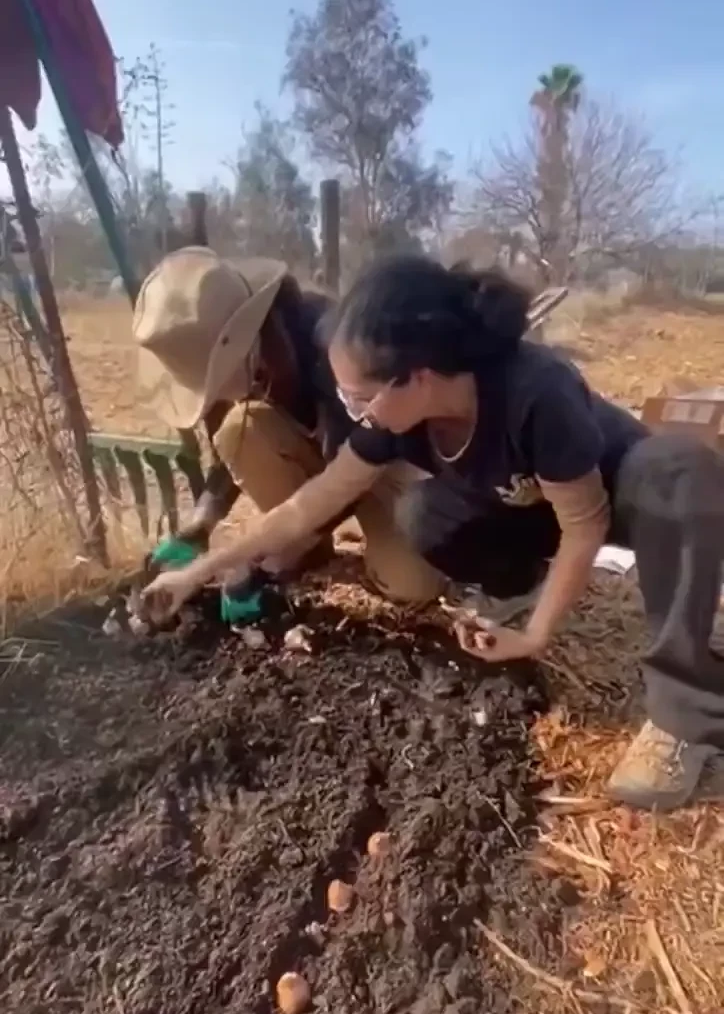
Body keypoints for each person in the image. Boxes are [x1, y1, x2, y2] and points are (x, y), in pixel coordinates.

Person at [141, 253, 724, 812]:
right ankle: (513, 583)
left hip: (618, 498)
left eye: (360, 397)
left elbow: (585, 522)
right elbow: (308, 505)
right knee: (422, 513)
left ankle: (684, 714)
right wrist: (199, 570)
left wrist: (535, 637)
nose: (354, 411)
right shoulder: (399, 413)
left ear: (416, 378)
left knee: (677, 468)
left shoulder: (535, 392)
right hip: (526, 503)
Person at [132, 245, 443, 602]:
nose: (247, 388)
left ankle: (299, 544)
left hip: (377, 470)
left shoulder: (339, 352)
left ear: (255, 335)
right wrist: (200, 525)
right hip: (329, 475)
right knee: (234, 433)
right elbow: (226, 457)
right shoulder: (252, 362)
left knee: (413, 584)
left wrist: (264, 565)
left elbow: (345, 484)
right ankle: (307, 549)